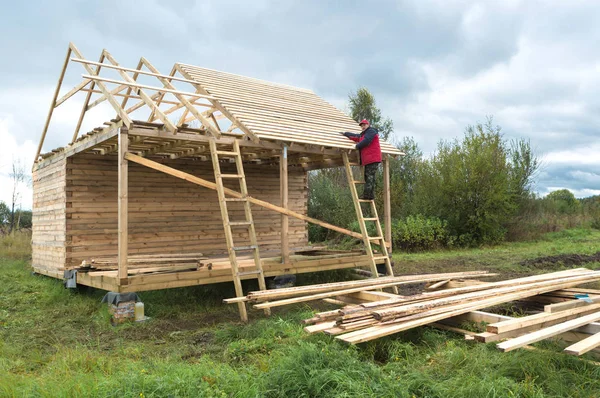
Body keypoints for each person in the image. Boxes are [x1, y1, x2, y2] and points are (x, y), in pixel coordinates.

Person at [341, 119, 382, 200]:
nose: (363, 126)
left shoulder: (371, 131)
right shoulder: (363, 135)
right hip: (369, 159)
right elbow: (356, 136)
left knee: (369, 177)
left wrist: (357, 146)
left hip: (373, 158)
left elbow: (366, 141)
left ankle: (367, 195)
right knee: (370, 177)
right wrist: (346, 133)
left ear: (368, 125)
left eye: (364, 125)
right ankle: (370, 196)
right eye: (361, 125)